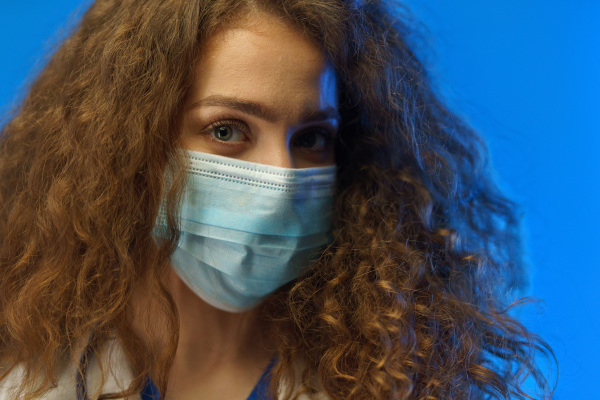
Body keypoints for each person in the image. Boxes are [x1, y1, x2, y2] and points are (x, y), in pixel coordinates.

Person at [0, 0, 555, 399]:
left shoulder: (396, 377)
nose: (281, 180)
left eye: (312, 138)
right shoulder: (24, 376)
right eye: (226, 130)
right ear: (125, 145)